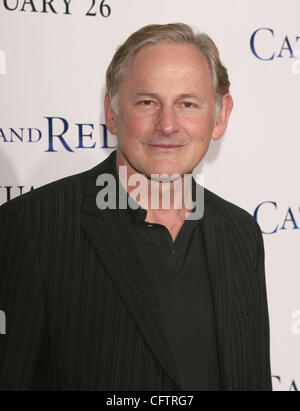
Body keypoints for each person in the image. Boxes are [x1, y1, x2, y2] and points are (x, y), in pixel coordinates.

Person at [0, 23, 272, 391]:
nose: (167, 125)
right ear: (112, 113)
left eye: (187, 104)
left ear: (220, 116)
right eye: (147, 102)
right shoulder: (34, 227)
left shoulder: (241, 234)